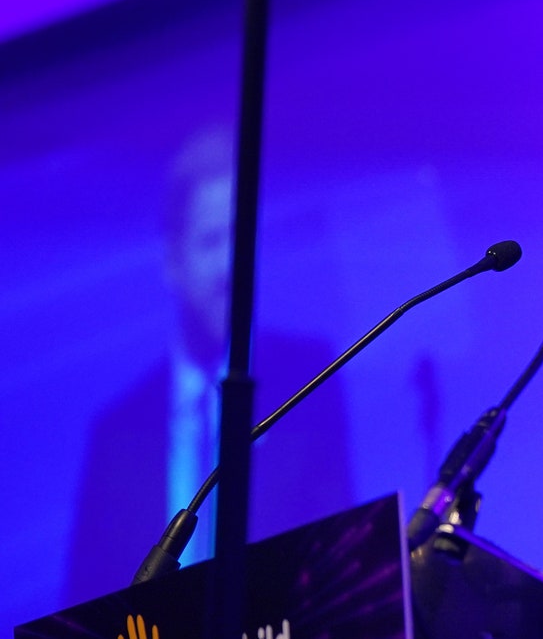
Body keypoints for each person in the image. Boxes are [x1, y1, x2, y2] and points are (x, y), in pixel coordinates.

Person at [64, 127, 354, 604]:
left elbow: (338, 555)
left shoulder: (310, 379)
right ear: (172, 260)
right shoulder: (115, 433)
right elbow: (81, 607)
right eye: (210, 241)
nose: (228, 267)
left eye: (239, 240)